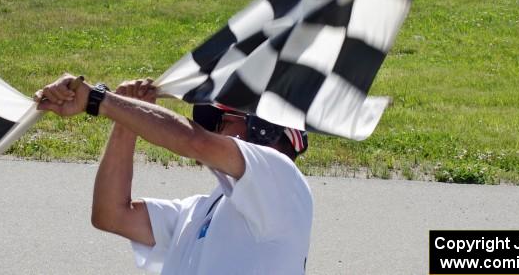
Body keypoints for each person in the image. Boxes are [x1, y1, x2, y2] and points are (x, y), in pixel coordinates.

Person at [34, 74, 313, 275]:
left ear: (263, 129)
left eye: (224, 122)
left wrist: (100, 100)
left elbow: (195, 142)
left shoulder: (282, 181)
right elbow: (111, 214)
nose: (215, 131)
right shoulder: (201, 209)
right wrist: (125, 117)